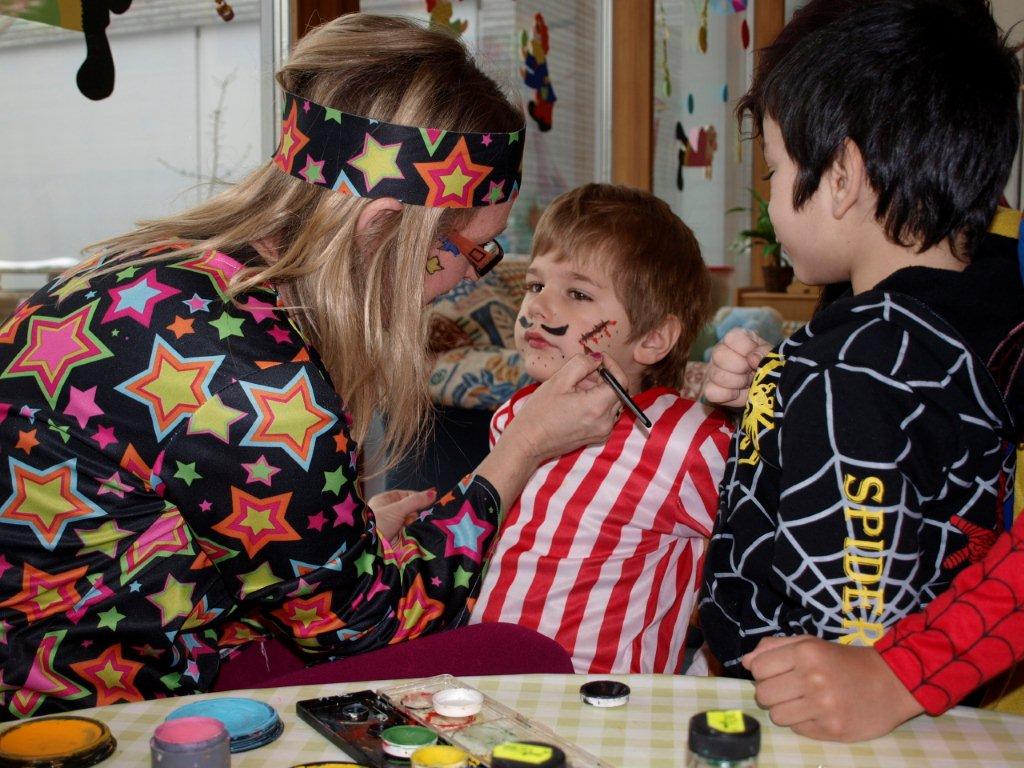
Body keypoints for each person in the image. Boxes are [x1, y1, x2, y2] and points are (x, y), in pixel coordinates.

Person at [0, 14, 625, 720]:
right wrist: (523, 447)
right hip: (75, 712)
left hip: (63, 646)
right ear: (383, 227)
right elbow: (370, 626)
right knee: (518, 658)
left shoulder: (143, 272)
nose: (466, 280)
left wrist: (337, 542)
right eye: (474, 251)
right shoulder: (257, 380)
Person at [698, 0, 1024, 741]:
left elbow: (853, 584)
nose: (770, 199)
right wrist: (773, 393)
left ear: (841, 176)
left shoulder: (854, 356)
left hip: (814, 706)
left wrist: (806, 382)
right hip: (932, 703)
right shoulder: (970, 318)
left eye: (776, 170)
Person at [469, 184, 733, 673]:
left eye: (577, 293)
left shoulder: (690, 442)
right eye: (535, 285)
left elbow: (759, 555)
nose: (537, 308)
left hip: (598, 696)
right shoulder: (515, 413)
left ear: (652, 338)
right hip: (484, 678)